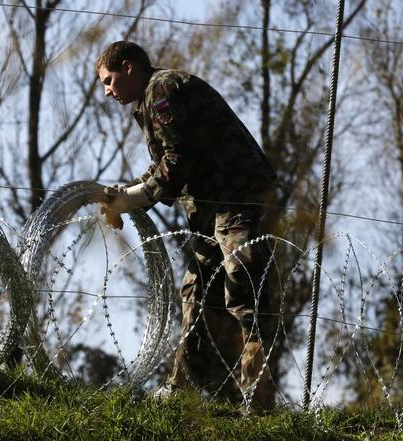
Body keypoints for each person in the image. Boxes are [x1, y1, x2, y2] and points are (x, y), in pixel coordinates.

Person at [96, 41, 277, 413]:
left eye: (109, 80)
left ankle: (257, 398)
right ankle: (183, 386)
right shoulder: (152, 98)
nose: (108, 91)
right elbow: (167, 160)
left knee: (240, 283)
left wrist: (131, 199)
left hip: (232, 193)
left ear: (129, 68)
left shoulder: (162, 89)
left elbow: (178, 161)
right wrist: (128, 195)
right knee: (195, 289)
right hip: (210, 202)